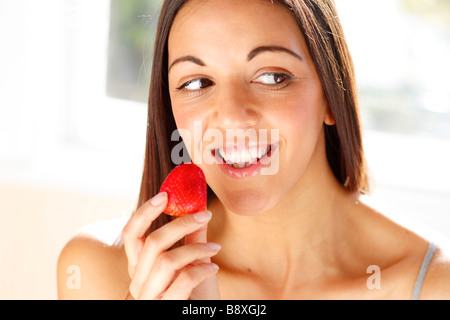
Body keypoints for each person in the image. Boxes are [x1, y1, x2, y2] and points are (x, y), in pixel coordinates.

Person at [57, 0, 450, 300]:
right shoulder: (100, 274)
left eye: (270, 76)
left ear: (331, 95)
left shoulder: (433, 285)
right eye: (196, 83)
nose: (230, 118)